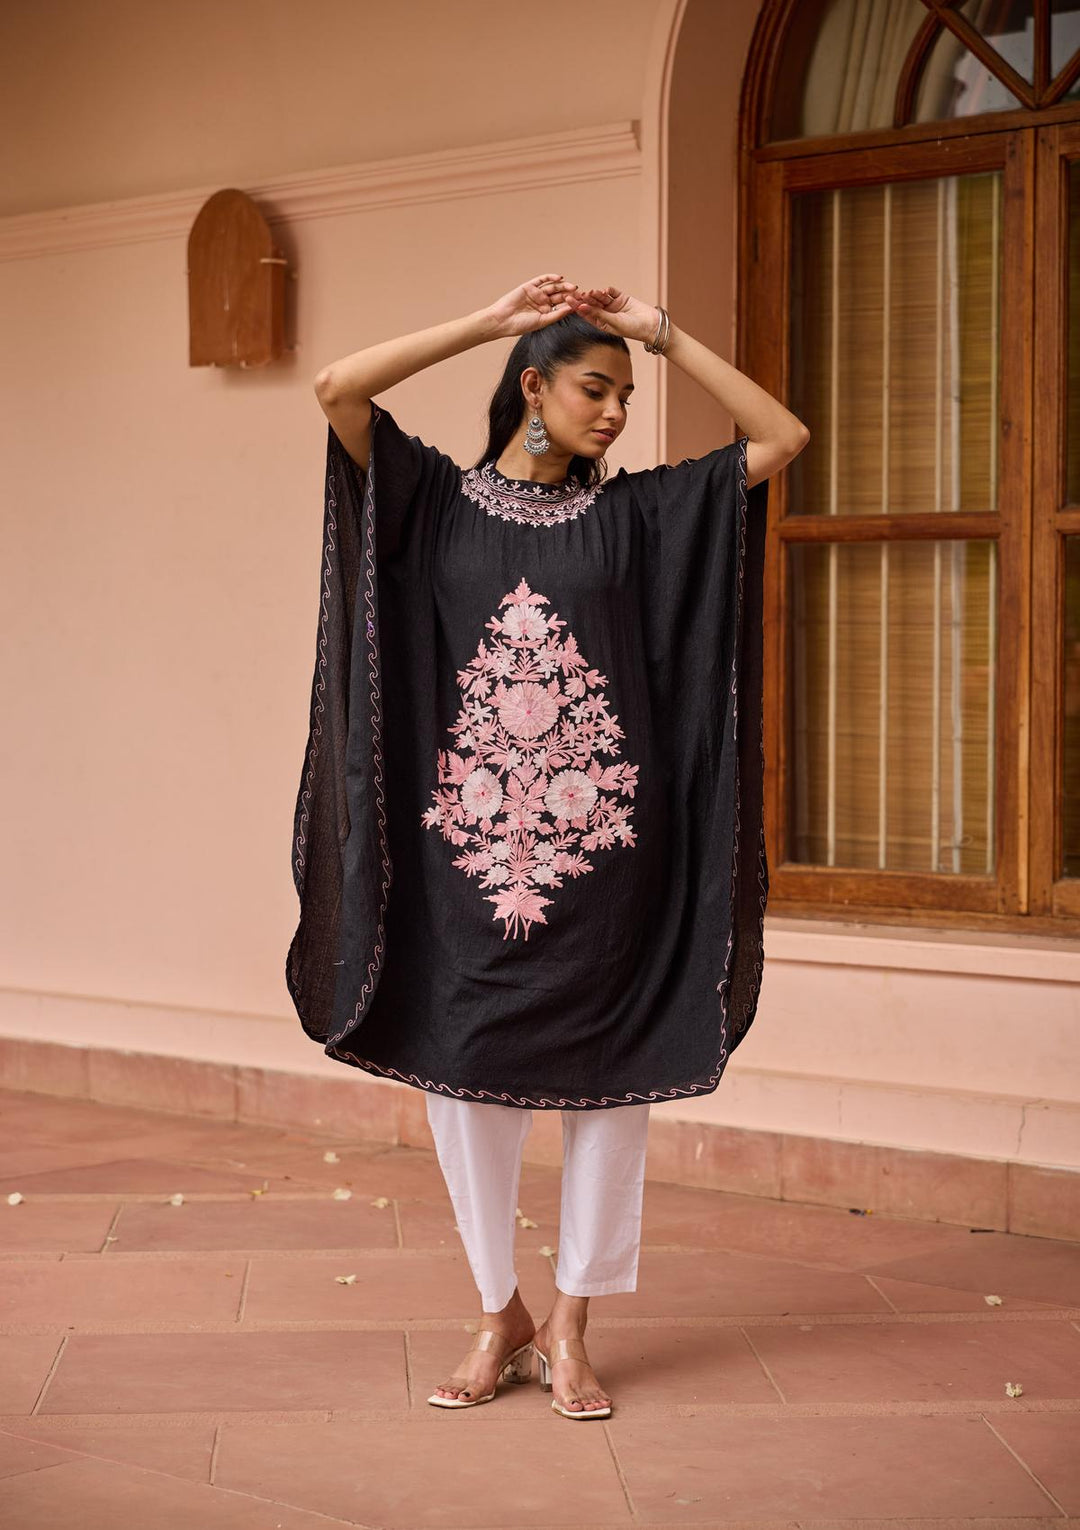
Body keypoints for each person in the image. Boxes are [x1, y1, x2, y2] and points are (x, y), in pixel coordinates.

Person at [287, 275, 810, 1419]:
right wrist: (488, 321)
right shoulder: (434, 499)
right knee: (462, 1086)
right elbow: (336, 388)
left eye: (626, 395)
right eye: (593, 389)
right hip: (468, 866)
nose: (615, 412)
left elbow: (782, 437)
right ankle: (499, 1312)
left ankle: (572, 1323)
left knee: (613, 1089)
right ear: (532, 388)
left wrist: (658, 334)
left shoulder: (642, 516)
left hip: (610, 870)